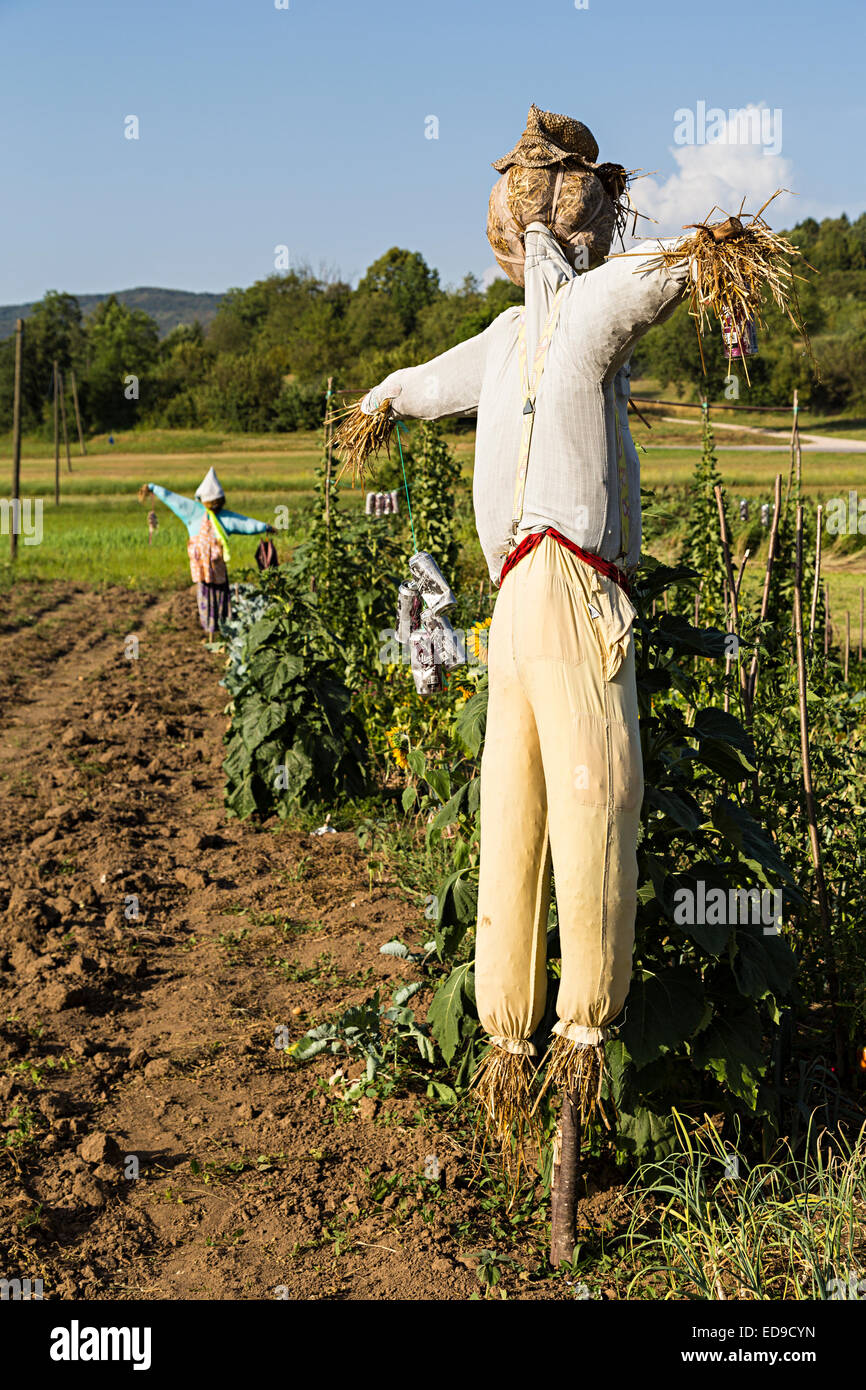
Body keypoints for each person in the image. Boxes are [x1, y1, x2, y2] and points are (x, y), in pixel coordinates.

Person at [359, 106, 740, 1141]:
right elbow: (654, 276)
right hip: (562, 596)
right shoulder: (559, 324)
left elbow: (432, 383)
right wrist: (714, 250)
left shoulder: (522, 333)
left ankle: (517, 1043)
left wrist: (383, 397)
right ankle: (567, 1042)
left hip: (517, 606)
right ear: (590, 211)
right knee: (588, 811)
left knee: (513, 824)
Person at [139, 466, 274, 638]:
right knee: (211, 599)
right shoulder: (195, 511)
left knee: (218, 600)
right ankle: (213, 634)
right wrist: (153, 488)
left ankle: (220, 633)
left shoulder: (213, 515)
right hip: (203, 570)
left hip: (216, 570)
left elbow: (245, 524)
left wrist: (265, 527)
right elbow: (172, 498)